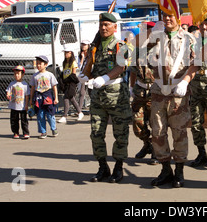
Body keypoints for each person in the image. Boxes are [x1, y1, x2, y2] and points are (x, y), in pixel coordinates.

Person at [148, 10, 198, 188]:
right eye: (165, 16)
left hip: (178, 93)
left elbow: (196, 64)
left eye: (171, 16)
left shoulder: (189, 38)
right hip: (158, 92)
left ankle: (179, 170)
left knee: (179, 132)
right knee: (158, 132)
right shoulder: (155, 37)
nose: (168, 19)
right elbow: (143, 60)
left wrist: (185, 82)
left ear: (178, 18)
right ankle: (165, 169)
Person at [85, 12, 132, 184]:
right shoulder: (94, 45)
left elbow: (121, 66)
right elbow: (89, 64)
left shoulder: (122, 45)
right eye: (101, 25)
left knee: (120, 133)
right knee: (96, 133)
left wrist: (105, 78)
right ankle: (102, 166)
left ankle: (118, 167)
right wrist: (84, 76)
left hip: (116, 95)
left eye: (107, 24)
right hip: (98, 96)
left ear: (115, 27)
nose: (103, 28)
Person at [189, 15, 207, 168]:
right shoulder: (193, 43)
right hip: (195, 88)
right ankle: (201, 153)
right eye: (202, 25)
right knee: (195, 123)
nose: (204, 27)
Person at [129, 21, 158, 165]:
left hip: (155, 91)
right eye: (144, 30)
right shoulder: (137, 50)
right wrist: (131, 88)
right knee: (137, 123)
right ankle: (147, 144)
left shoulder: (160, 48)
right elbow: (133, 71)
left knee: (156, 124)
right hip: (139, 90)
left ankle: (156, 151)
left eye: (149, 30)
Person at [29, 55, 59, 139]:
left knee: (50, 114)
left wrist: (56, 98)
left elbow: (54, 87)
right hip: (38, 95)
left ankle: (53, 128)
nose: (38, 65)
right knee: (40, 115)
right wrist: (31, 99)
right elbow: (32, 88)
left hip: (48, 95)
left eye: (40, 64)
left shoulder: (50, 75)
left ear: (46, 64)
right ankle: (43, 131)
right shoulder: (35, 76)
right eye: (37, 64)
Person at [58, 46, 84, 123]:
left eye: (67, 52)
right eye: (65, 53)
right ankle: (80, 112)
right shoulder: (64, 62)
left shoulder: (73, 62)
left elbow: (73, 74)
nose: (65, 54)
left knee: (66, 98)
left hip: (71, 82)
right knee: (71, 98)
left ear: (71, 53)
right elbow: (64, 72)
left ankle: (64, 116)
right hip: (66, 82)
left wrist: (68, 79)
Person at [6, 65, 30, 139]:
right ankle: (15, 132)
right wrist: (8, 95)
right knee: (14, 120)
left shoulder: (25, 84)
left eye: (18, 73)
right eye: (15, 73)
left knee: (24, 120)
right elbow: (8, 92)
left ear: (22, 74)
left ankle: (25, 133)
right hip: (14, 106)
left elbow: (27, 95)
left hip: (22, 106)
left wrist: (26, 105)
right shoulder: (12, 84)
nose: (16, 75)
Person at [76, 40, 91, 112]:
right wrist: (82, 58)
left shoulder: (90, 55)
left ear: (88, 46)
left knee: (91, 91)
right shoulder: (80, 55)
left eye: (85, 45)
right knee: (82, 92)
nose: (83, 46)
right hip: (82, 75)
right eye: (82, 45)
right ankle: (79, 110)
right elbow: (79, 66)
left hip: (90, 75)